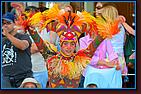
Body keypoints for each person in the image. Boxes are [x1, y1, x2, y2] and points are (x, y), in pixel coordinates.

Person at [2, 12, 33, 88]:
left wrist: (7, 35)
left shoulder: (23, 36)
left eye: (8, 23)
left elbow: (23, 46)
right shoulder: (2, 40)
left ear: (14, 23)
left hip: (23, 76)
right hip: (6, 78)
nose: (5, 25)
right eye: (3, 23)